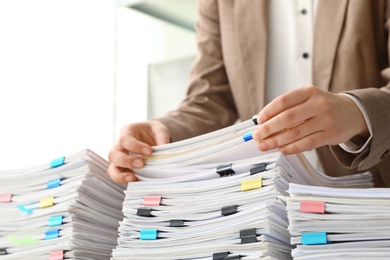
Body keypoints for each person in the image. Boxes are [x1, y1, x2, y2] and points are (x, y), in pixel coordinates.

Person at [108, 0, 390, 187]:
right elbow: (210, 99)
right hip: (263, 206)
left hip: (371, 204)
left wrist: (357, 111)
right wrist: (162, 131)